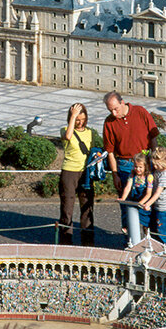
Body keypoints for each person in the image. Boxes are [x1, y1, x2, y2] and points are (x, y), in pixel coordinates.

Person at [102, 91, 160, 233]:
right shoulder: (109, 122)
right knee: (126, 205)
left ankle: (148, 240)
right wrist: (114, 174)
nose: (114, 114)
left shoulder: (140, 112)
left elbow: (153, 138)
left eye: (116, 109)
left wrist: (155, 161)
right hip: (124, 165)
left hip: (145, 164)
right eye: (110, 110)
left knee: (147, 204)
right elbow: (110, 152)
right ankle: (129, 241)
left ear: (122, 102)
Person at [59, 103, 95, 246]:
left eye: (83, 119)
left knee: (87, 207)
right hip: (69, 172)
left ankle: (88, 242)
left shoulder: (89, 132)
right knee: (67, 208)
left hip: (85, 173)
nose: (81, 123)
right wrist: (73, 116)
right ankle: (66, 241)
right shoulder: (64, 130)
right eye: (78, 119)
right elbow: (68, 137)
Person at [141, 147, 166, 246]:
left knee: (162, 232)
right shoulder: (159, 170)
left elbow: (157, 193)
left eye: (157, 164)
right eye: (154, 164)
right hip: (157, 206)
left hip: (164, 208)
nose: (155, 166)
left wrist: (147, 204)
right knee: (154, 230)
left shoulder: (164, 176)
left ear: (165, 162)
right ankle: (156, 247)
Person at [117, 152, 153, 236]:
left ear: (145, 166)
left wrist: (141, 203)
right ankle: (129, 236)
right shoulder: (132, 175)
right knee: (130, 218)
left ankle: (147, 238)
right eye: (136, 166)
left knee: (146, 223)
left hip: (144, 202)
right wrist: (123, 198)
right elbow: (128, 187)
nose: (138, 169)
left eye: (140, 167)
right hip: (134, 200)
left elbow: (148, 193)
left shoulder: (149, 177)